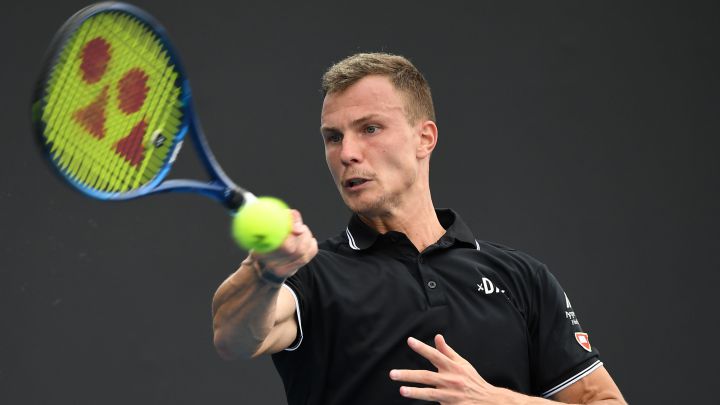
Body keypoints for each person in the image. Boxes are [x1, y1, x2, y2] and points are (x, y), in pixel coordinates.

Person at [211, 53, 627, 405]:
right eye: (333, 137)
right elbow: (233, 337)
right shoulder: (313, 274)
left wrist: (494, 399)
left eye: (369, 129)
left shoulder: (523, 279)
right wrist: (265, 271)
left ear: (424, 138)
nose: (347, 153)